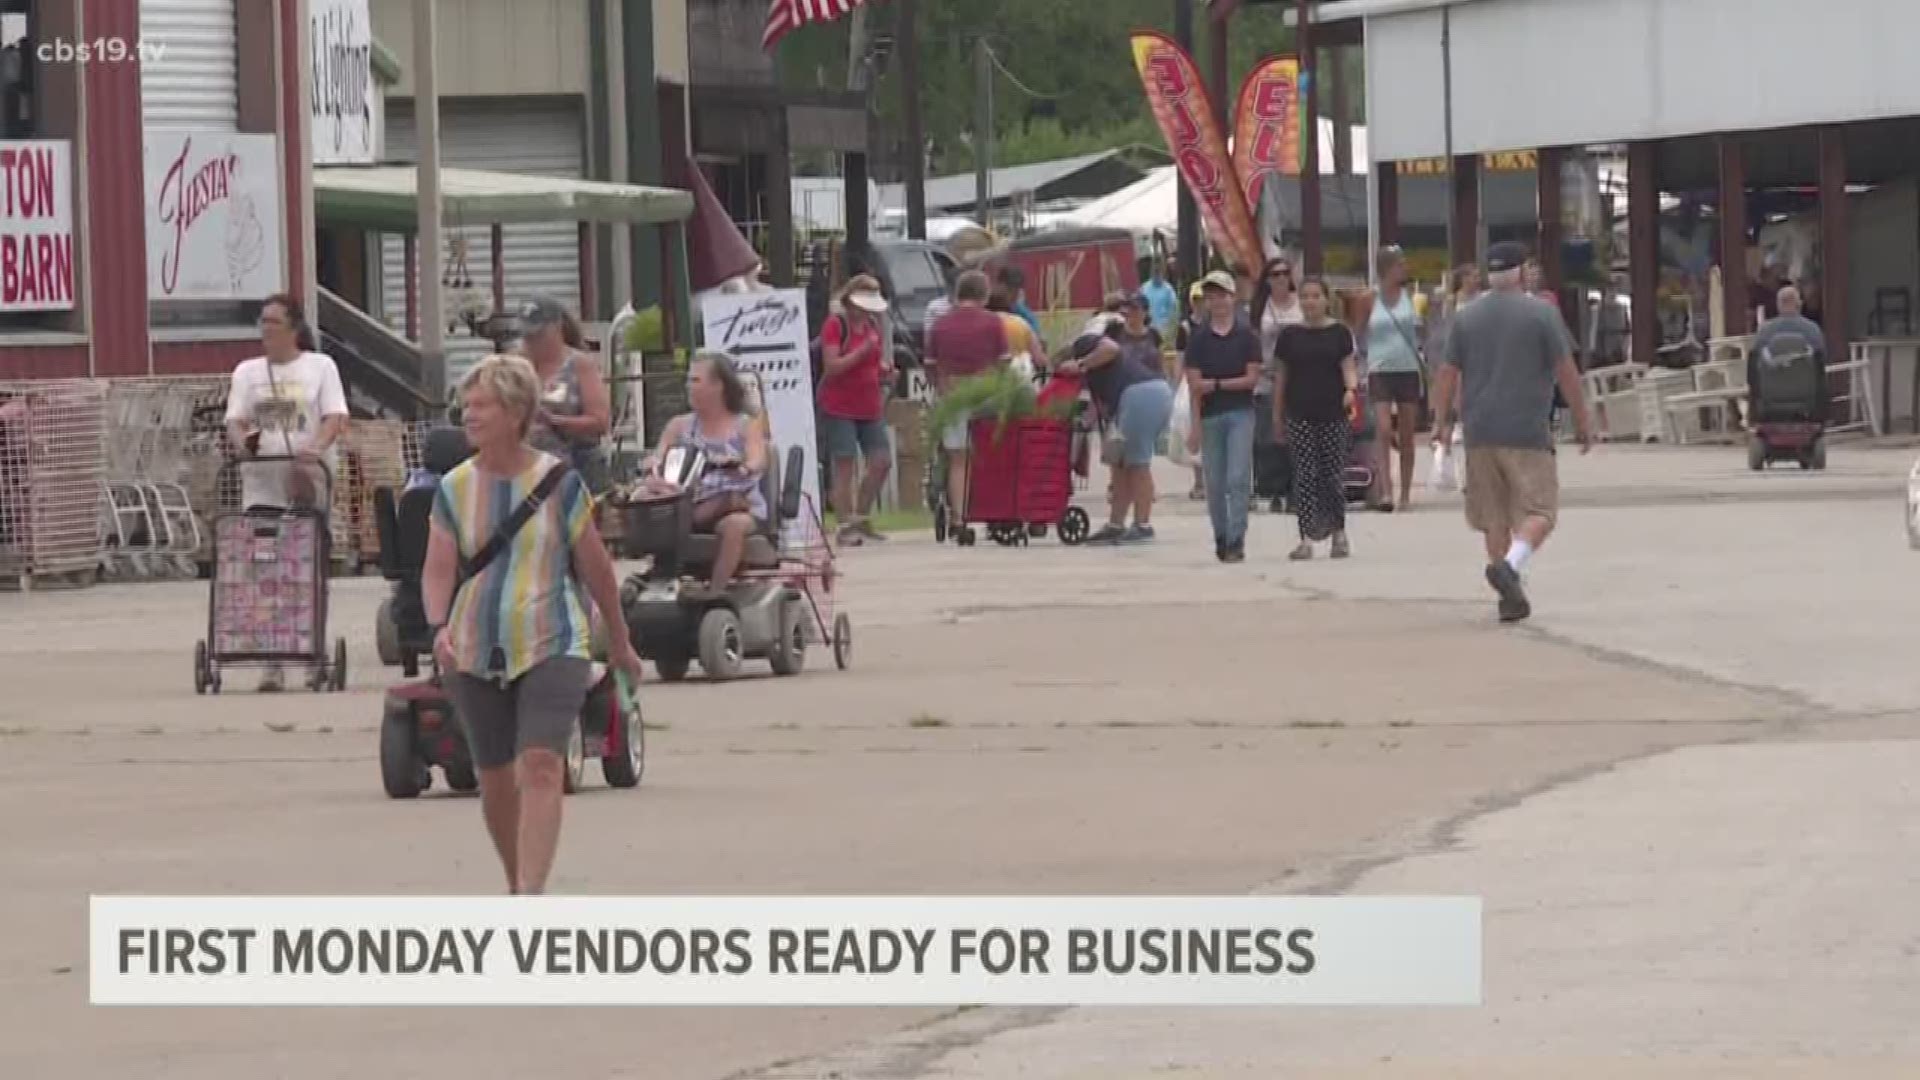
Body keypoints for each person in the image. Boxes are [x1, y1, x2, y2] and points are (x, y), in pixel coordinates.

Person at [421, 354, 644, 896]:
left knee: (542, 763)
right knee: (495, 778)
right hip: (474, 645)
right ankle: (515, 881)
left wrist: (619, 641)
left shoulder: (560, 483)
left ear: (516, 411)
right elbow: (437, 569)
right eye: (466, 406)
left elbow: (596, 568)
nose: (468, 416)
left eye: (482, 406)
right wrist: (437, 628)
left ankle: (531, 894)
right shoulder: (453, 488)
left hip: (554, 638)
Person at [1430, 241, 1594, 625]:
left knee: (1494, 517)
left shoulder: (1466, 317)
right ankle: (1511, 567)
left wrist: (1442, 422)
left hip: (1480, 430)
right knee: (1539, 511)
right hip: (1527, 430)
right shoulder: (1542, 313)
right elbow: (1565, 371)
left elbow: (1446, 373)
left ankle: (1507, 594)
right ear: (1521, 272)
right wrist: (1584, 420)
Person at [224, 293, 350, 693]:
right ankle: (272, 657)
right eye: (261, 322)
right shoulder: (247, 372)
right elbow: (236, 420)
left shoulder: (319, 367)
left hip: (306, 480)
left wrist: (315, 447)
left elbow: (335, 415)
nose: (265, 330)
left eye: (273, 322)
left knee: (307, 566)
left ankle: (313, 652)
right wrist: (244, 443)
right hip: (263, 482)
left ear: (293, 328)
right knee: (266, 568)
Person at [643, 352, 771, 591]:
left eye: (695, 380)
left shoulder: (745, 424)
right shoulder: (679, 425)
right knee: (647, 502)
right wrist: (653, 467)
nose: (687, 386)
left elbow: (758, 459)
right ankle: (658, 581)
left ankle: (715, 591)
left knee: (733, 524)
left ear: (718, 386)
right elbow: (658, 458)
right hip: (687, 500)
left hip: (740, 504)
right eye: (688, 380)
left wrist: (741, 465)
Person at [1063, 310, 1174, 546]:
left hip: (1140, 395)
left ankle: (1143, 525)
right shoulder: (1108, 357)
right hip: (1148, 393)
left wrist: (1080, 363)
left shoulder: (1089, 342)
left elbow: (1109, 349)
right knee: (1120, 463)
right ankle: (1116, 524)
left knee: (1136, 462)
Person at [1274, 277, 1361, 561]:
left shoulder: (1339, 333)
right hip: (1299, 411)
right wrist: (1277, 415)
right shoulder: (1289, 337)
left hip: (1333, 412)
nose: (1310, 302)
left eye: (1315, 296)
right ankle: (1307, 537)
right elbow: (1281, 378)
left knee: (1332, 473)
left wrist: (1350, 390)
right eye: (1305, 296)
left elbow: (1348, 367)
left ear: (1326, 299)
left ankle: (1339, 533)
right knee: (1304, 475)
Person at [1183, 270, 1264, 563]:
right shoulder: (1199, 340)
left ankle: (1236, 536)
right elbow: (1194, 386)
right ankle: (1220, 534)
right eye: (1211, 296)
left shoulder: (1247, 336)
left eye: (1222, 295)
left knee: (1237, 476)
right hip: (1210, 415)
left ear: (1233, 298)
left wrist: (1216, 384)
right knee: (1215, 482)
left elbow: (1251, 379)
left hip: (1240, 412)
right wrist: (1194, 427)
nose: (1217, 301)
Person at [926, 269, 1010, 532]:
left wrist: (940, 385)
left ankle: (958, 517)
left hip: (951, 395)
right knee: (989, 455)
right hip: (986, 394)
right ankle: (992, 511)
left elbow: (929, 364)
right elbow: (1004, 361)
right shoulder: (993, 322)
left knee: (958, 459)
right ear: (983, 294)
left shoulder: (940, 324)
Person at [817, 274, 895, 547]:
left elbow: (874, 362)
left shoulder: (873, 325)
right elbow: (833, 367)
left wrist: (885, 372)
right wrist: (862, 352)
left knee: (881, 460)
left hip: (869, 404)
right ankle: (845, 524)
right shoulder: (835, 325)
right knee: (845, 464)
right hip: (840, 405)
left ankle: (861, 516)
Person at [518, 296, 613, 496]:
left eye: (539, 335)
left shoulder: (580, 365)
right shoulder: (515, 364)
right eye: (528, 336)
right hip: (527, 467)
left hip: (576, 464)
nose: (533, 342)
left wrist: (556, 421)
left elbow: (601, 421)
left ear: (557, 328)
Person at [1361, 246, 1425, 511]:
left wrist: (1423, 326)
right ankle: (1386, 490)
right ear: (1387, 268)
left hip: (1407, 368)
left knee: (1407, 433)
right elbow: (1358, 329)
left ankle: (1406, 493)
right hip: (1379, 369)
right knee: (1384, 429)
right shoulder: (1369, 298)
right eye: (1401, 264)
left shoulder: (1412, 297)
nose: (1405, 269)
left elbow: (1423, 331)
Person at [1251, 256, 1304, 513]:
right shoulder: (1261, 307)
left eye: (1285, 273)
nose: (1281, 278)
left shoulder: (1301, 305)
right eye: (1275, 275)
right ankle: (1274, 490)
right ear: (1267, 280)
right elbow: (1253, 340)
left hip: (1300, 377)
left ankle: (1297, 490)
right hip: (1267, 377)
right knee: (1270, 438)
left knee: (1297, 434)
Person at [1747, 284, 1828, 425]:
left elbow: (1753, 363)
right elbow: (1821, 361)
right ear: (1799, 304)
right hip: (1805, 395)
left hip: (1771, 395)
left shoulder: (1764, 331)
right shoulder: (1813, 330)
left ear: (1778, 305)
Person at [1172, 279, 1210, 501]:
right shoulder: (1185, 328)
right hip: (1191, 380)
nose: (1200, 304)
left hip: (1212, 376)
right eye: (1196, 300)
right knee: (1189, 425)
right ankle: (1198, 481)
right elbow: (1180, 358)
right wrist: (1177, 384)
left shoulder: (1216, 323)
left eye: (1202, 299)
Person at [987, 286, 1039, 371]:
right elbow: (1038, 357)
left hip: (991, 376)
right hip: (1019, 373)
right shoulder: (1021, 322)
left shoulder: (985, 325)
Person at [997, 265, 1045, 351]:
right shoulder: (988, 309)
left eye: (1016, 289)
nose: (1012, 294)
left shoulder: (1024, 314)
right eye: (1009, 289)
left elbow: (1037, 341)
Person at [1140, 260, 1179, 338]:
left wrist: (1172, 325)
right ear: (1151, 275)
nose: (1157, 277)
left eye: (1158, 274)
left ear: (1162, 275)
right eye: (1155, 274)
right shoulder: (1144, 288)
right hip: (1149, 326)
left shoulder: (1168, 289)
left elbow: (1174, 307)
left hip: (1164, 327)